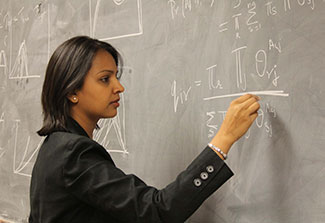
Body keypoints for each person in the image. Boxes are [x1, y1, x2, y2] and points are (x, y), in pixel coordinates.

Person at [29, 36, 260, 223]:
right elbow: (158, 211)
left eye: (116, 77)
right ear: (72, 91)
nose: (119, 87)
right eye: (104, 79)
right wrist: (224, 138)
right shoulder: (74, 153)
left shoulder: (54, 146)